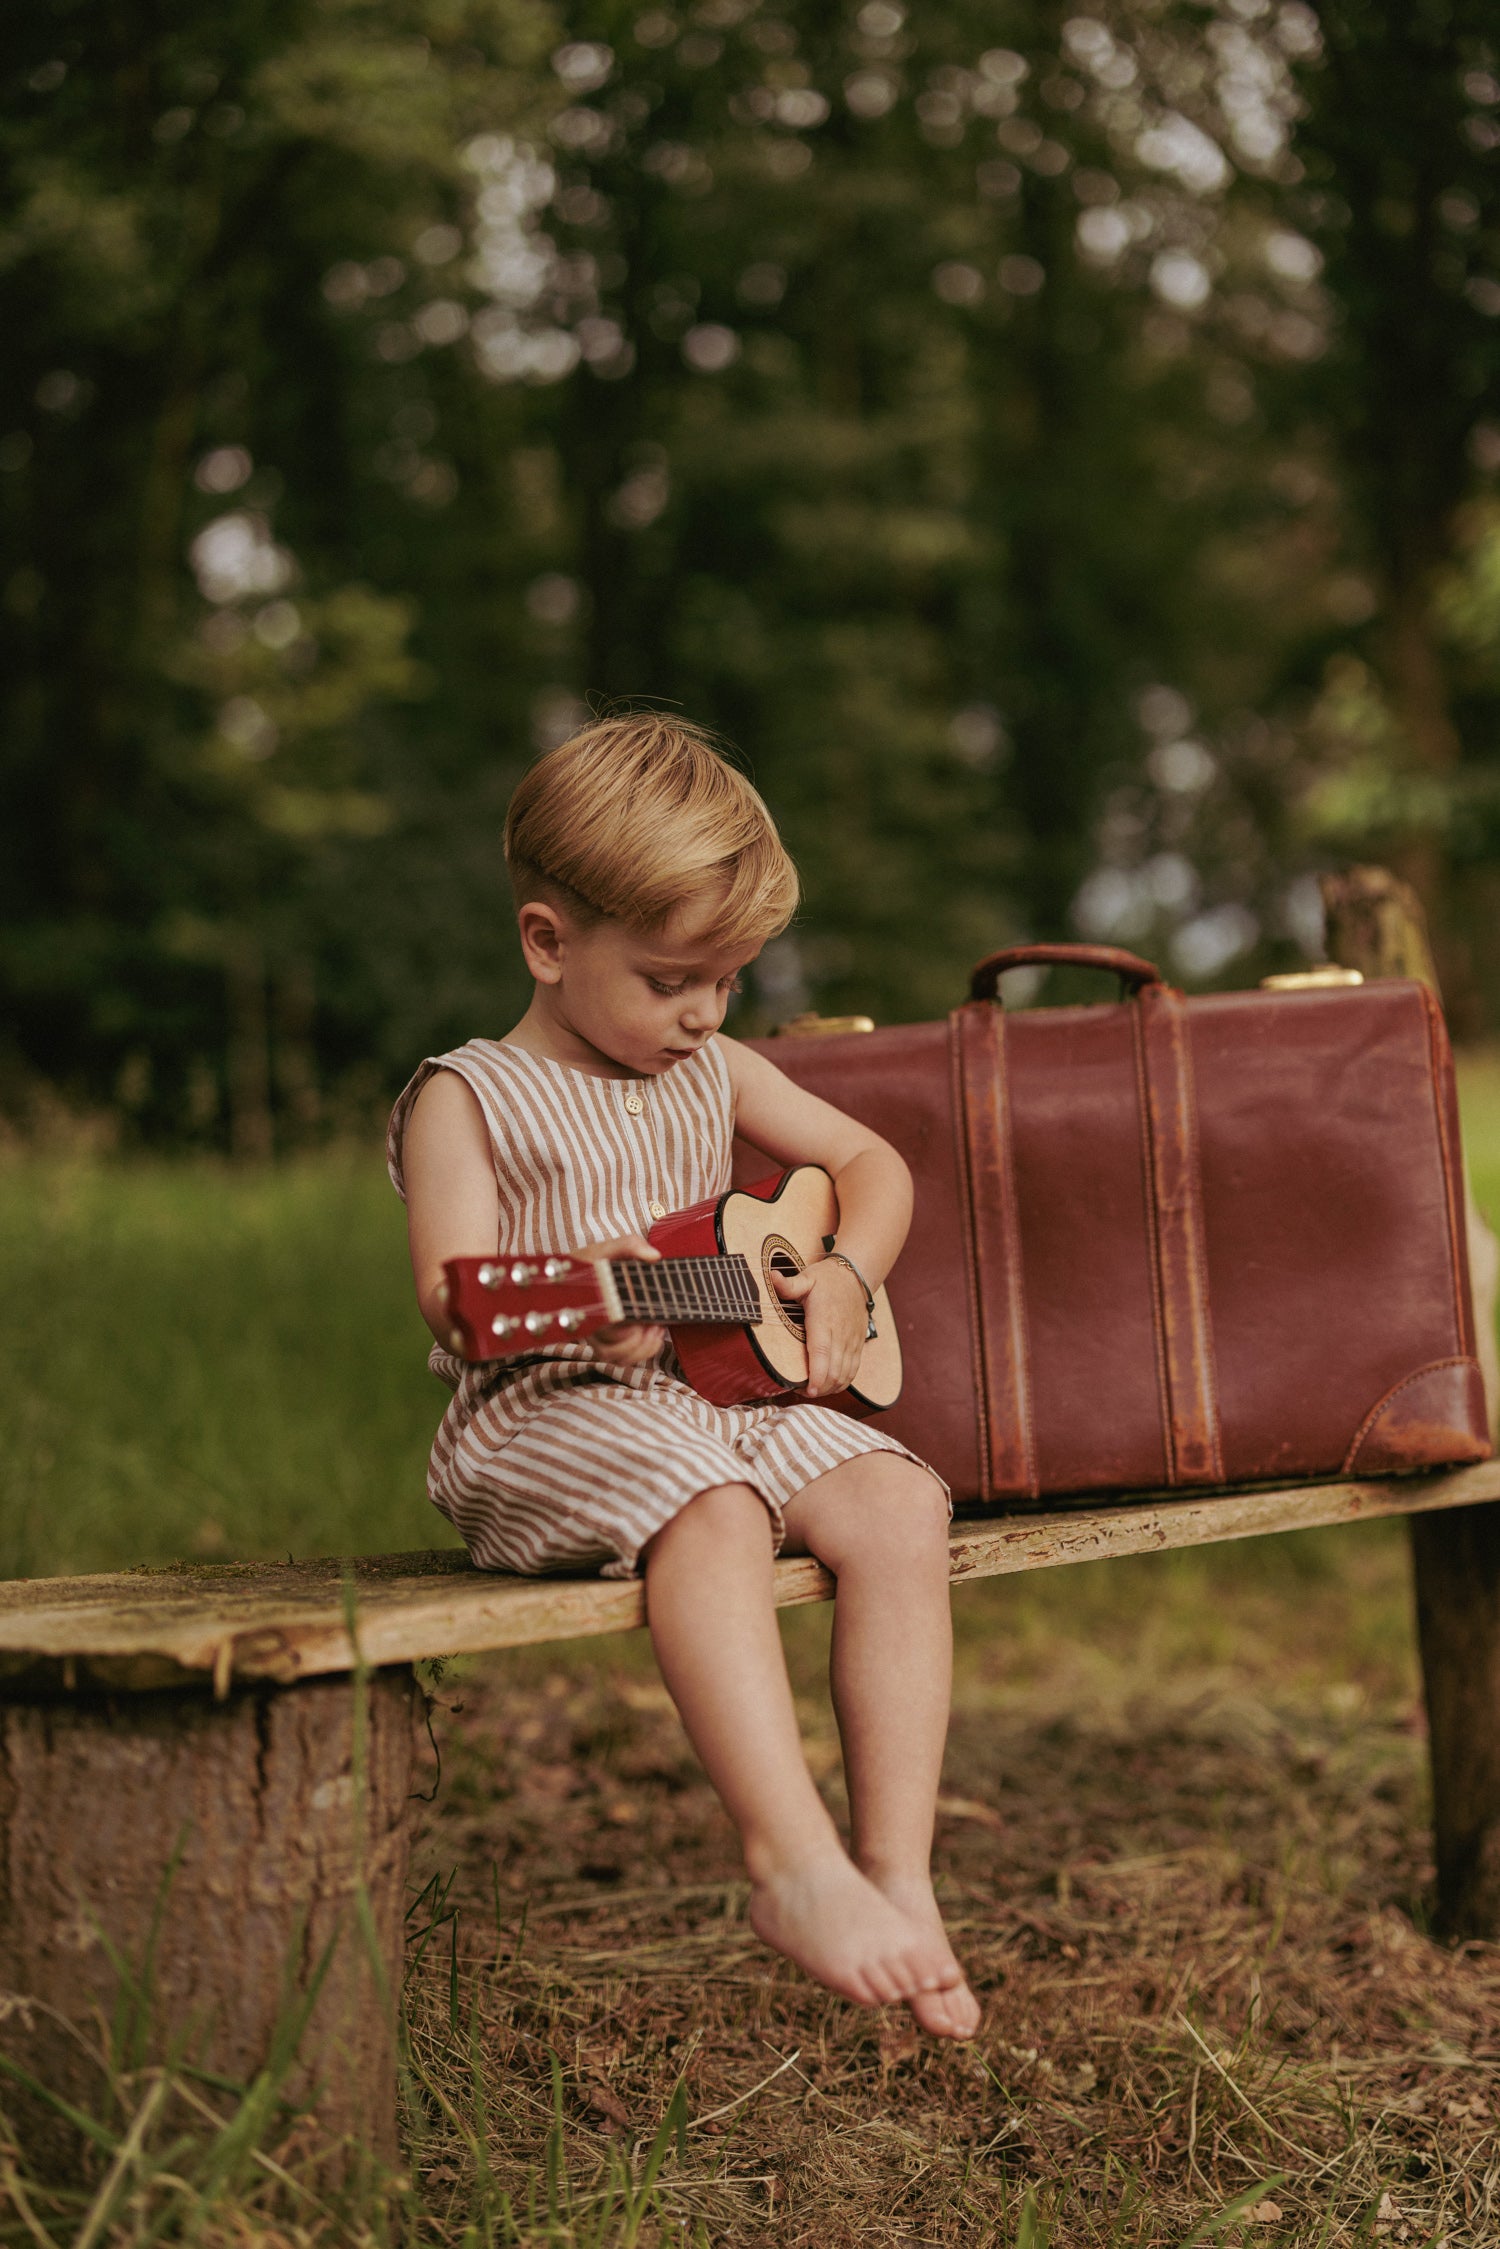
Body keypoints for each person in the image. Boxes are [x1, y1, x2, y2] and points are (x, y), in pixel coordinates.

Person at [388, 715, 979, 2040]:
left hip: (713, 1398)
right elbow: (455, 1289)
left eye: (728, 976)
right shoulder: (467, 1098)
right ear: (548, 942)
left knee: (898, 1501)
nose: (705, 1011)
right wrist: (570, 1307)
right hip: (541, 1414)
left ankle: (896, 1868)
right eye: (671, 978)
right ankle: (790, 1860)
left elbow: (874, 1164)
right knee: (709, 1508)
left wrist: (840, 1275)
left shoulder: (717, 1067)